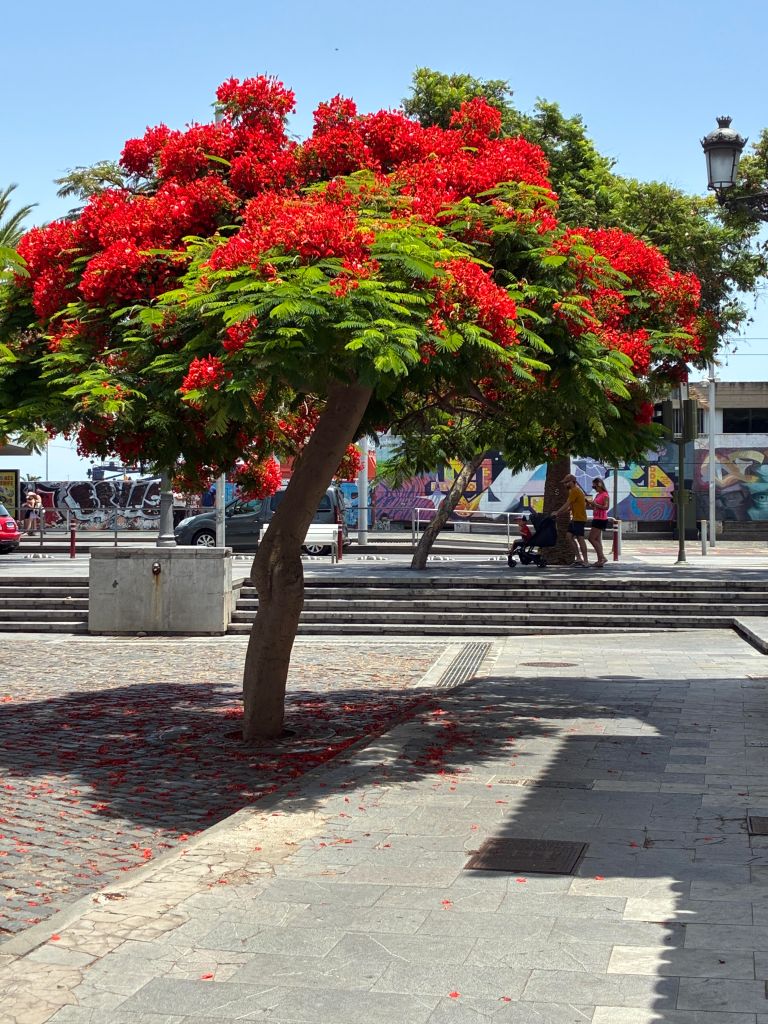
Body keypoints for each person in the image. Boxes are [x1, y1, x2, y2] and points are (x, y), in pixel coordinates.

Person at [555, 473, 589, 566]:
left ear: (573, 482)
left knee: (580, 539)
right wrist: (560, 513)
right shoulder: (573, 491)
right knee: (568, 536)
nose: (565, 484)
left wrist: (557, 512)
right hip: (574, 519)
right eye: (564, 483)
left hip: (579, 519)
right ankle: (578, 558)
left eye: (567, 482)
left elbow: (567, 503)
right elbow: (570, 507)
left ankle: (586, 561)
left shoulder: (575, 491)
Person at [586, 477, 610, 567]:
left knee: (591, 538)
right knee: (597, 540)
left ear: (599, 485)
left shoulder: (605, 495)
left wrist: (595, 504)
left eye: (594, 486)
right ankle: (600, 560)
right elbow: (595, 507)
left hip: (601, 519)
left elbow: (606, 507)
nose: (594, 488)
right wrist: (590, 504)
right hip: (596, 518)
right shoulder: (597, 495)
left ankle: (602, 557)